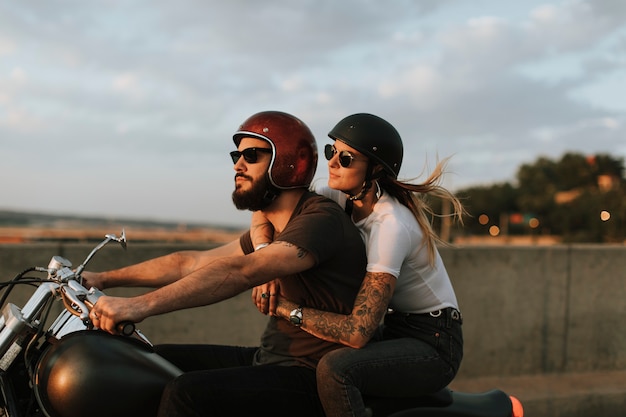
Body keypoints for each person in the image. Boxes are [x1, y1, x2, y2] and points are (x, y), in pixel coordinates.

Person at [81, 111, 367, 417]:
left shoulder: (319, 220)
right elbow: (189, 262)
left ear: (285, 162)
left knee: (186, 394)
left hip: (309, 378)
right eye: (236, 154)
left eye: (251, 155)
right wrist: (103, 278)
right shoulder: (274, 226)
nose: (237, 164)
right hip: (269, 359)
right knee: (150, 361)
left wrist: (138, 307)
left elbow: (239, 272)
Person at [251, 113, 465, 417]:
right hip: (393, 329)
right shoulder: (337, 197)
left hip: (433, 343)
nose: (332, 162)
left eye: (346, 158)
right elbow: (267, 202)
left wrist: (284, 308)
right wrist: (264, 258)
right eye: (331, 151)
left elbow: (357, 331)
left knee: (335, 369)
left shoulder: (390, 224)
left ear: (375, 170)